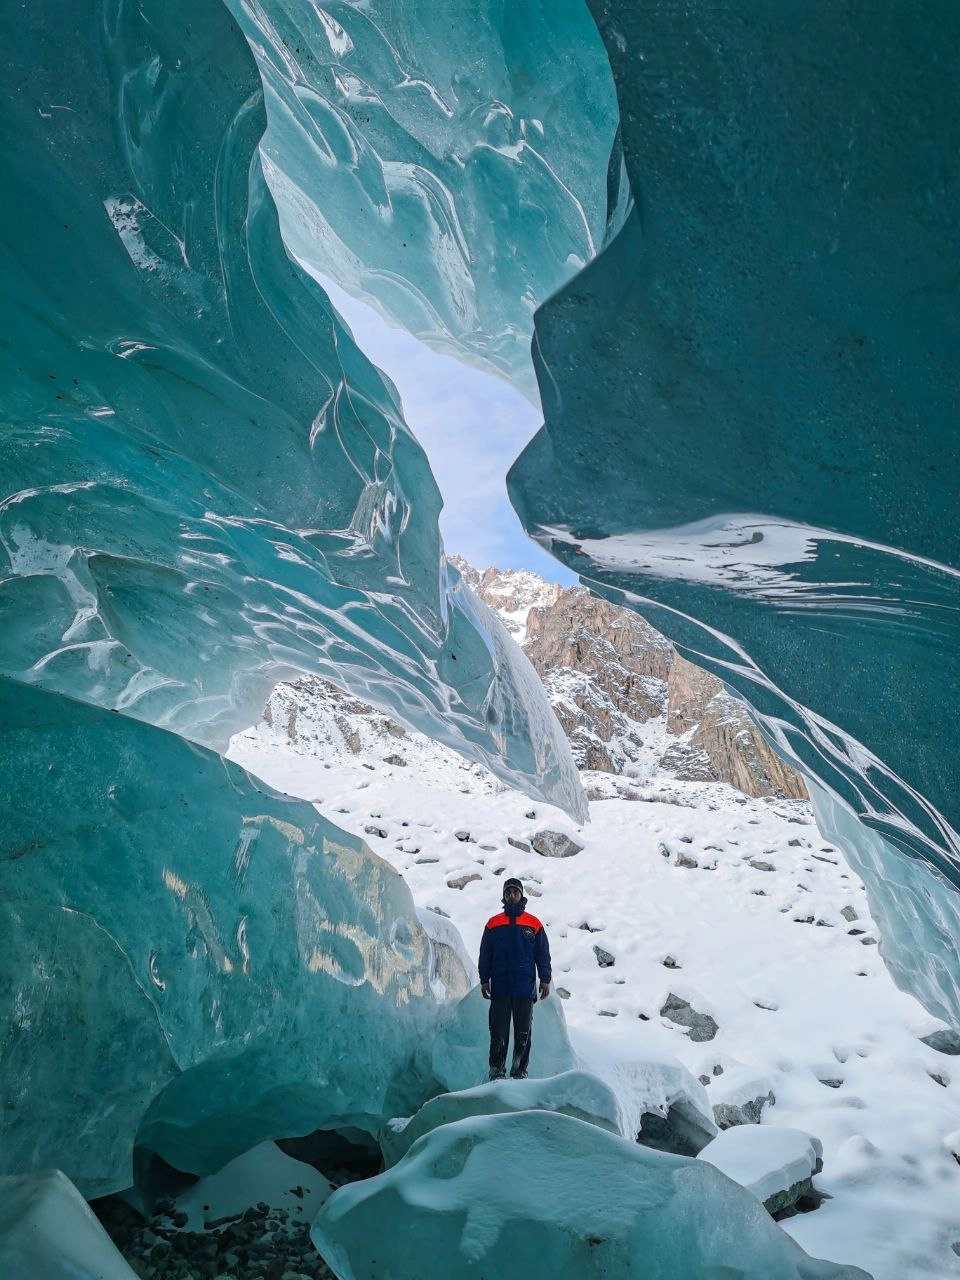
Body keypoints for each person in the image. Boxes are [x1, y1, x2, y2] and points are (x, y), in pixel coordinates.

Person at [478, 877, 551, 1080]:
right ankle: (497, 1071)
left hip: (524, 988)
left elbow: (542, 954)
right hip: (500, 987)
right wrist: (484, 979)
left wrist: (545, 978)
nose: (512, 895)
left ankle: (519, 1072)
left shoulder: (533, 924)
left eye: (515, 892)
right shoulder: (493, 924)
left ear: (521, 895)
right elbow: (485, 954)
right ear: (504, 896)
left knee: (523, 1034)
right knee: (498, 1033)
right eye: (508, 892)